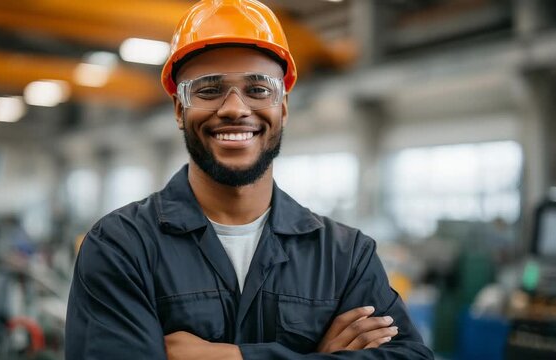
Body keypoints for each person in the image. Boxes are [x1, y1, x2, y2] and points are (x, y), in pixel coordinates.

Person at [65, 0, 433, 359]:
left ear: (283, 108)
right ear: (180, 109)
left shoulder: (345, 256)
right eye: (208, 90)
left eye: (258, 90)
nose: (235, 109)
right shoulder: (121, 247)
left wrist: (232, 356)